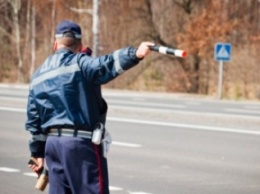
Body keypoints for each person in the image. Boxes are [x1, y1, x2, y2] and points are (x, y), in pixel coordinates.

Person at [25, 19, 154, 194]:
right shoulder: (81, 62)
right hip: (80, 147)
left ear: (55, 45)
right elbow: (105, 65)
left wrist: (37, 153)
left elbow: (34, 120)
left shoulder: (38, 75)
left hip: (53, 147)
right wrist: (135, 54)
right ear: (80, 46)